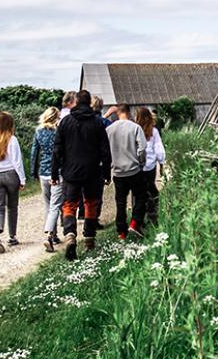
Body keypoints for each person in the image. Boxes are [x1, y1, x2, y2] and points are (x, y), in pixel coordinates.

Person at [51, 90, 110, 260]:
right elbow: (105, 151)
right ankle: (89, 237)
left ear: (76, 102)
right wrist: (106, 173)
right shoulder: (97, 123)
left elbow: (57, 150)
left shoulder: (65, 122)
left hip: (70, 171)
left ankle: (70, 235)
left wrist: (55, 173)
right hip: (93, 171)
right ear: (90, 103)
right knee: (90, 203)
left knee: (69, 204)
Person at [0, 111, 26, 253]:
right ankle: (12, 236)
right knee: (12, 207)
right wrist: (22, 179)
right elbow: (17, 162)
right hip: (11, 175)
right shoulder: (12, 139)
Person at [107, 104, 148, 239]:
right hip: (133, 170)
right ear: (129, 113)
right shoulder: (135, 128)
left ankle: (122, 232)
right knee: (141, 196)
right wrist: (141, 161)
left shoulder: (109, 129)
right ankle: (135, 222)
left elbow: (105, 151)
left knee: (120, 202)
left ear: (118, 113)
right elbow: (142, 148)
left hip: (118, 172)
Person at [28, 107, 63, 253]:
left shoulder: (38, 131)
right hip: (57, 172)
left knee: (48, 205)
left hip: (43, 172)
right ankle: (49, 235)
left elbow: (34, 152)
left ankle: (54, 236)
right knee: (55, 205)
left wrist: (32, 171)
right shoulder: (58, 131)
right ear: (56, 117)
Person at [135, 107, 166, 226]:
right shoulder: (153, 131)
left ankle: (138, 219)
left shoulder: (134, 130)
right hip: (150, 166)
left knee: (138, 192)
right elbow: (159, 149)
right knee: (151, 189)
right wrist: (161, 163)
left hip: (137, 166)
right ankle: (152, 215)